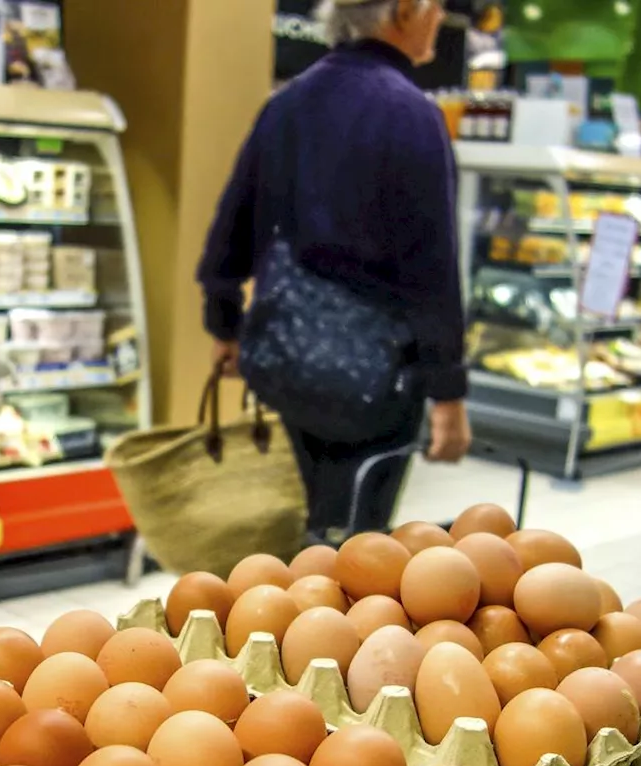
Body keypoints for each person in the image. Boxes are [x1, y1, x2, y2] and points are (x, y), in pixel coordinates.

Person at [197, 0, 471, 546]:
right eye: (434, 7)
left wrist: (224, 323)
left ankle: (296, 609)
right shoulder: (411, 114)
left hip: (289, 355)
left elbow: (236, 218)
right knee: (362, 544)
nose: (440, 17)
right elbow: (431, 265)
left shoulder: (289, 102)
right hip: (377, 375)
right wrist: (449, 392)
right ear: (402, 11)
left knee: (313, 516)